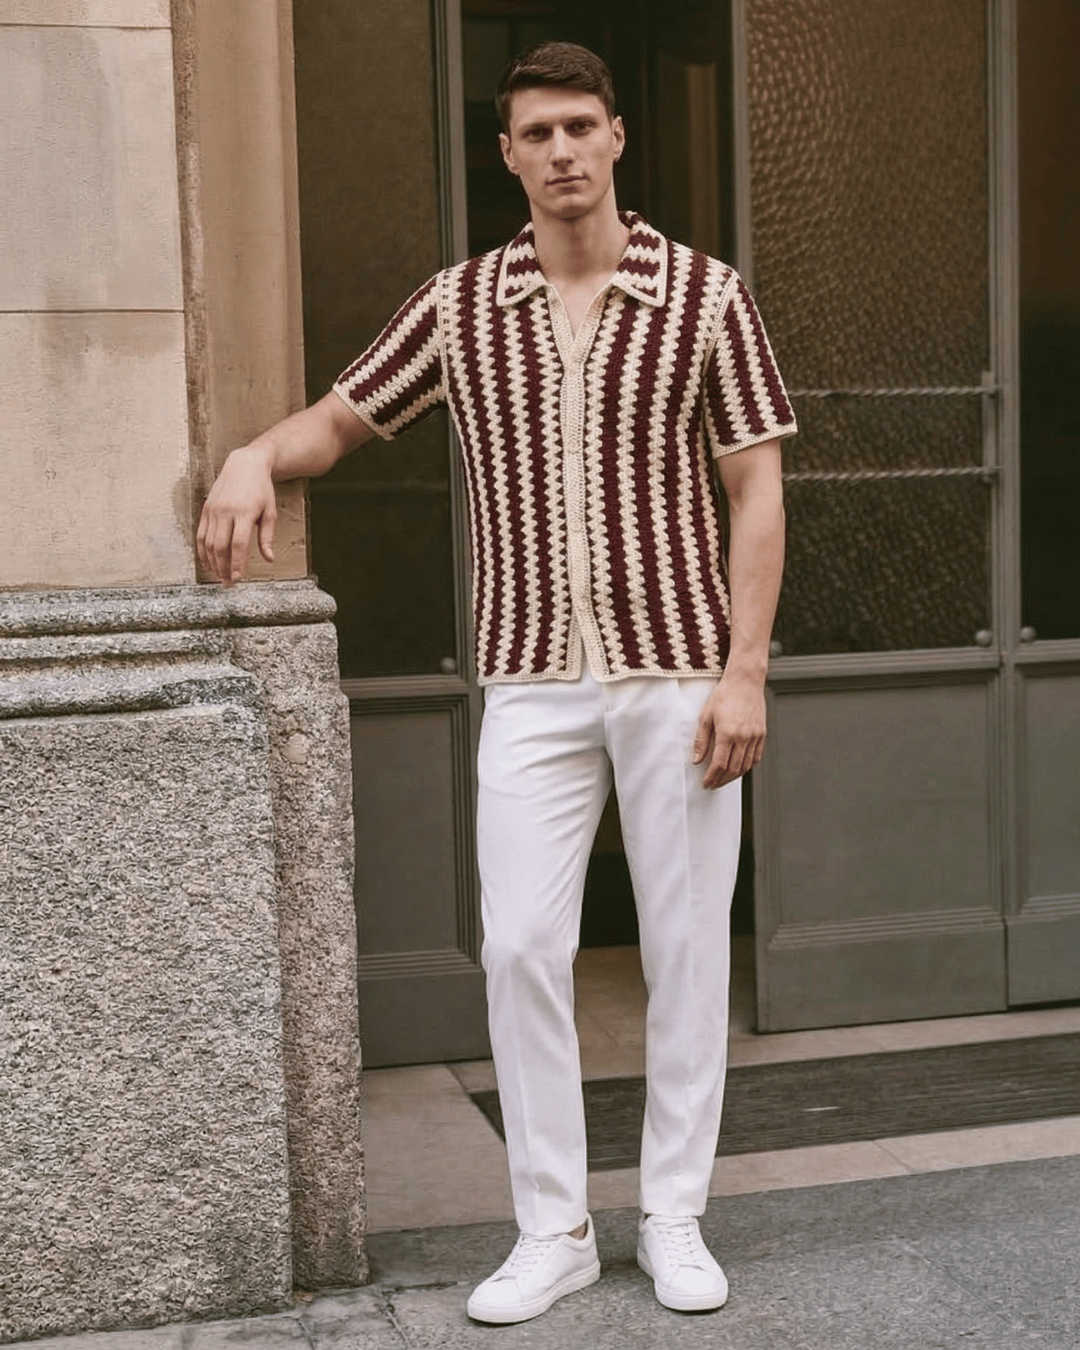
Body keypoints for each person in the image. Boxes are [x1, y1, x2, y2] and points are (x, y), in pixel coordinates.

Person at [198, 40, 796, 1325]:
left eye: (582, 125)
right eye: (538, 133)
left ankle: (674, 1215)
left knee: (687, 952)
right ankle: (554, 1228)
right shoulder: (461, 306)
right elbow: (340, 422)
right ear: (509, 154)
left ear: (617, 137)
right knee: (521, 944)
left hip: (678, 671)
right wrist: (253, 455)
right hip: (529, 677)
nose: (563, 150)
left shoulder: (706, 296)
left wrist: (745, 671)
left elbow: (757, 489)